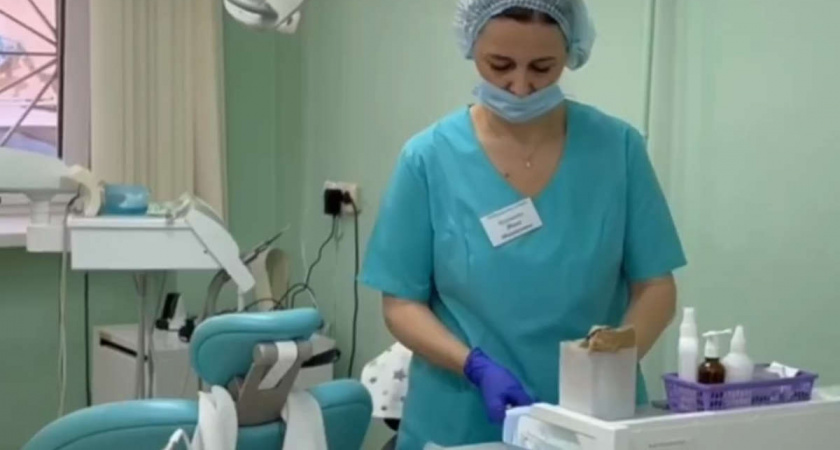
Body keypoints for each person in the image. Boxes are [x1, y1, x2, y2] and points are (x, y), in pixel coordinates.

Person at [360, 1, 686, 448]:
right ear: (471, 46)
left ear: (571, 52)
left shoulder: (617, 149)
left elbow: (657, 289)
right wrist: (474, 366)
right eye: (500, 65)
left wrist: (611, 363)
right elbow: (400, 303)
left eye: (542, 67)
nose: (520, 86)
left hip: (592, 418)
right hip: (461, 421)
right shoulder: (429, 158)